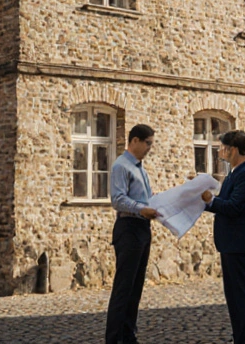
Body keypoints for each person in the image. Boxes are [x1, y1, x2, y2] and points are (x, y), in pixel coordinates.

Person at [201, 129, 245, 344]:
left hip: (238, 242)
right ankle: (241, 338)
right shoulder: (235, 172)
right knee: (234, 296)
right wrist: (206, 200)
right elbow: (223, 202)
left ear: (233, 149)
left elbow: (234, 207)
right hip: (230, 243)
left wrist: (211, 201)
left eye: (223, 147)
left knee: (242, 296)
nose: (220, 151)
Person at [105, 124, 158, 344]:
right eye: (148, 143)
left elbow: (147, 198)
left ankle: (128, 336)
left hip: (142, 229)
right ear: (134, 140)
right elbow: (117, 199)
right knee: (123, 288)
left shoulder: (140, 169)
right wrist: (141, 208)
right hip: (128, 228)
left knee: (135, 288)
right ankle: (114, 338)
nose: (149, 148)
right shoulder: (121, 166)